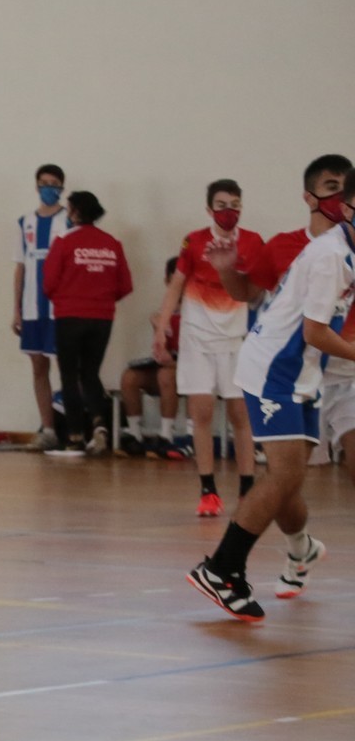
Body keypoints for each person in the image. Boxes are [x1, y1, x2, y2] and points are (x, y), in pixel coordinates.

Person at [189, 184, 355, 622]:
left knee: (290, 477)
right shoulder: (331, 257)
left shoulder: (341, 251)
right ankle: (221, 569)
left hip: (302, 372)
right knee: (283, 475)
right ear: (346, 209)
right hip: (274, 371)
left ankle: (301, 549)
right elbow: (315, 332)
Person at [152, 181, 264, 515]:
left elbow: (259, 290)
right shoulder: (194, 241)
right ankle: (208, 491)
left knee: (240, 415)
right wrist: (161, 329)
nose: (229, 211)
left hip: (236, 339)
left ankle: (247, 488)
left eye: (235, 204)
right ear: (209, 209)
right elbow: (176, 285)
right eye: (222, 205)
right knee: (201, 413)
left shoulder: (253, 242)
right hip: (197, 339)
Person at [42, 191, 132, 456]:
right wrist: (102, 300)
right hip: (102, 317)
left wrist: (66, 298)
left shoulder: (64, 241)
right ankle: (99, 424)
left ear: (76, 212)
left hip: (69, 315)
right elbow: (125, 285)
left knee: (69, 375)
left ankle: (75, 437)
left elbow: (48, 282)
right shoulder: (112, 243)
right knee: (90, 373)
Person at [210, 155, 353, 305]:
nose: (343, 195)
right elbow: (245, 292)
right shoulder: (280, 245)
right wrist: (225, 270)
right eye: (332, 187)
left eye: (348, 189)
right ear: (310, 198)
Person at [13, 165, 69, 450]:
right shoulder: (25, 222)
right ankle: (48, 429)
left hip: (60, 309)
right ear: (36, 186)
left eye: (54, 183)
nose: (49, 188)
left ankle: (74, 430)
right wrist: (16, 309)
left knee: (66, 366)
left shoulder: (68, 221)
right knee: (38, 366)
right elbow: (20, 267)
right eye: (44, 183)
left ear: (62, 188)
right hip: (32, 308)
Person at [118, 259, 185, 459]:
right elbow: (161, 350)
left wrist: (171, 363)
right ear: (167, 281)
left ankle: (166, 436)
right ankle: (135, 435)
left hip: (189, 372)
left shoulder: (196, 312)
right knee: (130, 377)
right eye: (173, 282)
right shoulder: (162, 314)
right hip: (169, 368)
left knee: (165, 374)